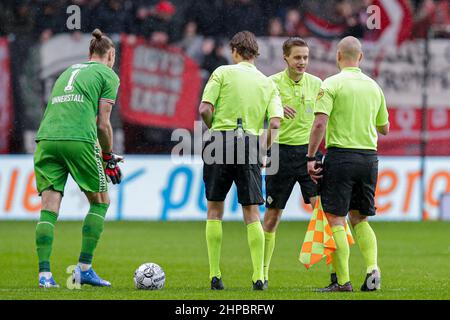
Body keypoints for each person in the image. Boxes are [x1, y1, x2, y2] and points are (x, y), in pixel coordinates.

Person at [34, 29, 123, 288]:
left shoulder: (67, 71)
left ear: (89, 53)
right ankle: (83, 268)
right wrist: (108, 156)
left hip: (47, 138)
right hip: (78, 139)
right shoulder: (107, 74)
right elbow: (103, 124)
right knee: (101, 201)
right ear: (110, 55)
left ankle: (44, 275)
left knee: (49, 208)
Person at [199, 31, 283, 291]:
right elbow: (277, 122)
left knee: (215, 209)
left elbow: (204, 109)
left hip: (219, 141)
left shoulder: (222, 73)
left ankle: (215, 275)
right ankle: (259, 276)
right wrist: (262, 148)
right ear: (255, 54)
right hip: (249, 143)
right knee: (251, 212)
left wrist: (216, 131)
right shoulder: (267, 83)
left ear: (234, 50)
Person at [307, 36, 389, 292]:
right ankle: (372, 269)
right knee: (360, 218)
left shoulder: (331, 84)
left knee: (335, 218)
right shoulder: (374, 87)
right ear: (361, 58)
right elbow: (384, 127)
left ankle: (343, 282)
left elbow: (320, 123)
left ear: (338, 56)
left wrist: (310, 157)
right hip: (368, 158)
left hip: (341, 156)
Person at [263, 37, 322, 289]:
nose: (302, 62)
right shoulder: (270, 85)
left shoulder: (318, 84)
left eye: (305, 57)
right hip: (279, 154)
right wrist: (275, 108)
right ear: (285, 57)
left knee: (323, 213)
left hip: (309, 154)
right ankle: (261, 273)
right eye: (297, 57)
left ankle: (336, 273)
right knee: (273, 214)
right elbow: (260, 117)